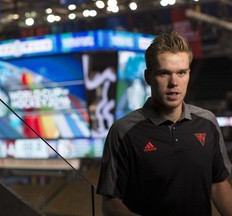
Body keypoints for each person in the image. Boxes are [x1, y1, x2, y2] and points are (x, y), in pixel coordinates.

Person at [96, 31, 232, 216]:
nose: (174, 82)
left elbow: (217, 184)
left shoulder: (207, 122)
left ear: (189, 74)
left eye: (181, 73)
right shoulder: (123, 131)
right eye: (164, 73)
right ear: (148, 77)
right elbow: (110, 203)